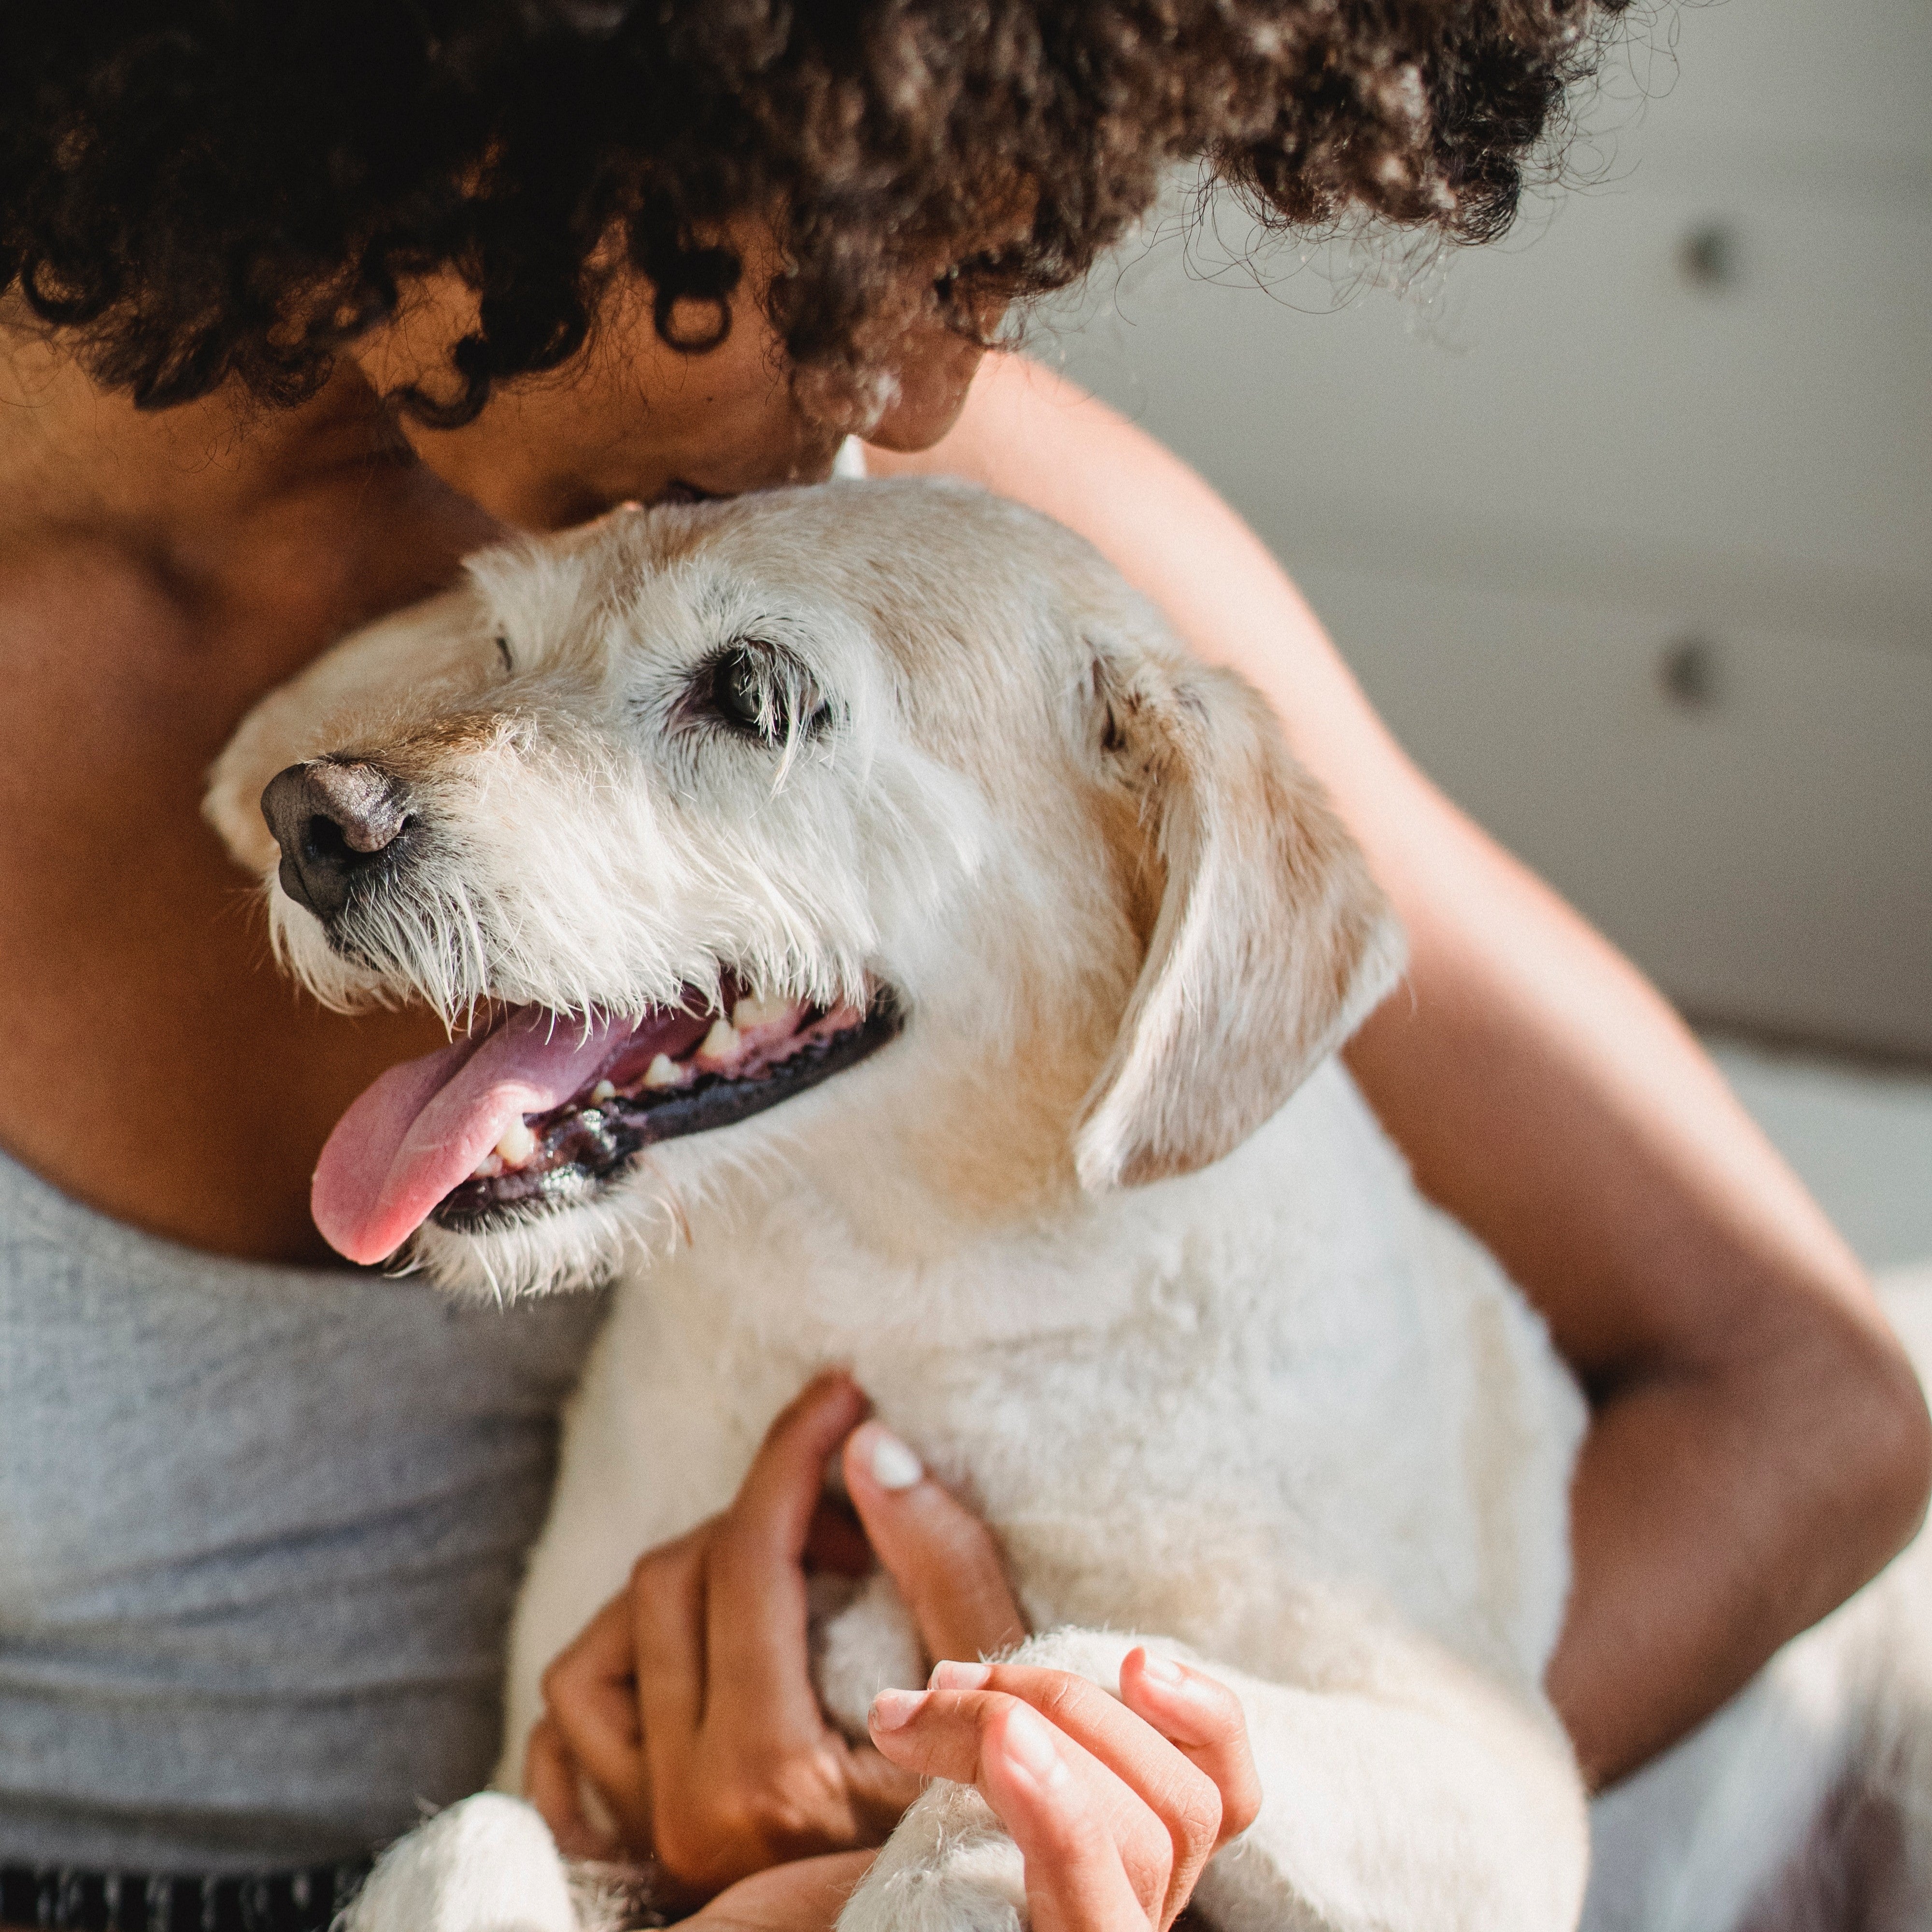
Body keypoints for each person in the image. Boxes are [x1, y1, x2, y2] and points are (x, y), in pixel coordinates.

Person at [2, 3, 1926, 1928]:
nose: (914, 393)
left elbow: (1802, 1397)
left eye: (990, 264)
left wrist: (1128, 1832)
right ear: (515, 90)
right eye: (883, 238)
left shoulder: (960, 553)